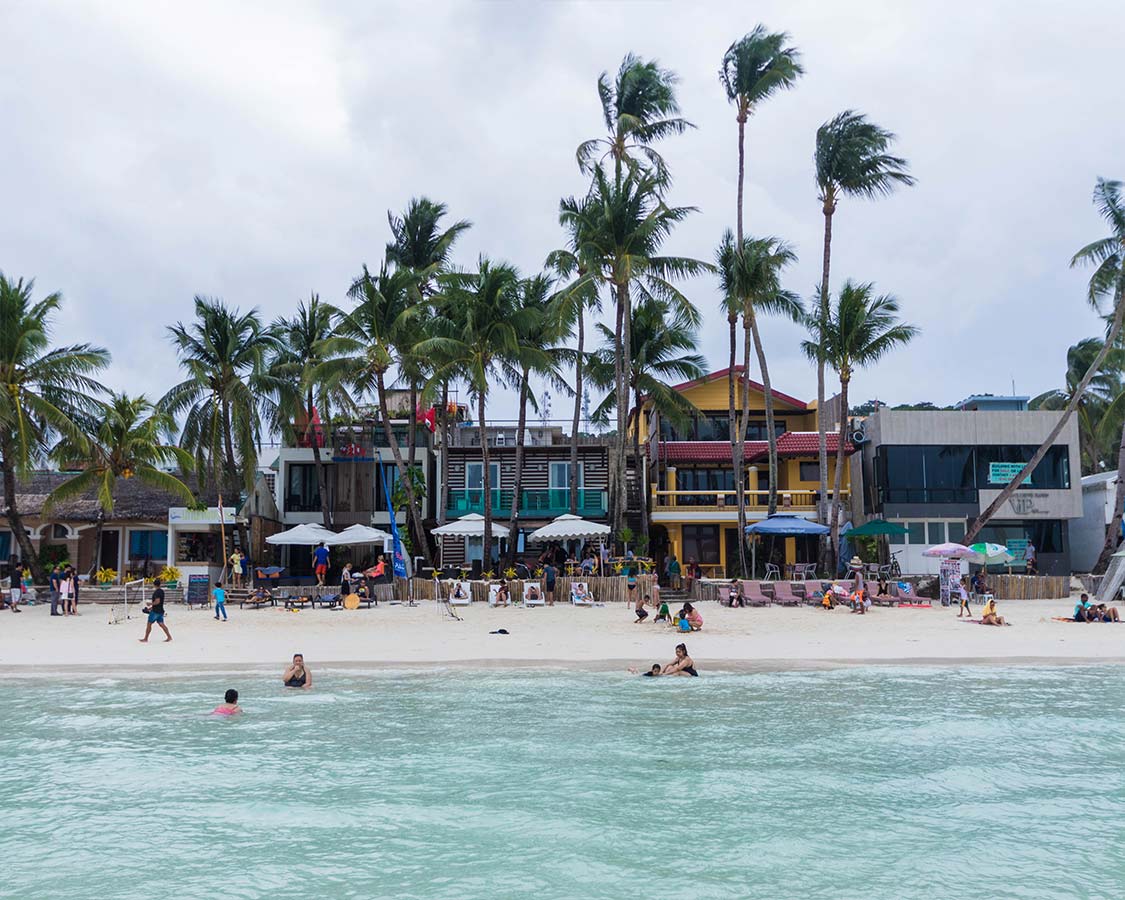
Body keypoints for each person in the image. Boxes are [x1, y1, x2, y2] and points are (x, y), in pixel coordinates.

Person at [139, 578, 172, 643]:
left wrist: (149, 604)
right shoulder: (162, 591)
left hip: (155, 611)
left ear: (154, 585)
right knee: (161, 624)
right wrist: (150, 608)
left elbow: (157, 602)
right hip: (160, 611)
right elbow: (159, 603)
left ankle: (145, 638)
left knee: (149, 624)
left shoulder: (156, 592)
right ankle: (169, 637)